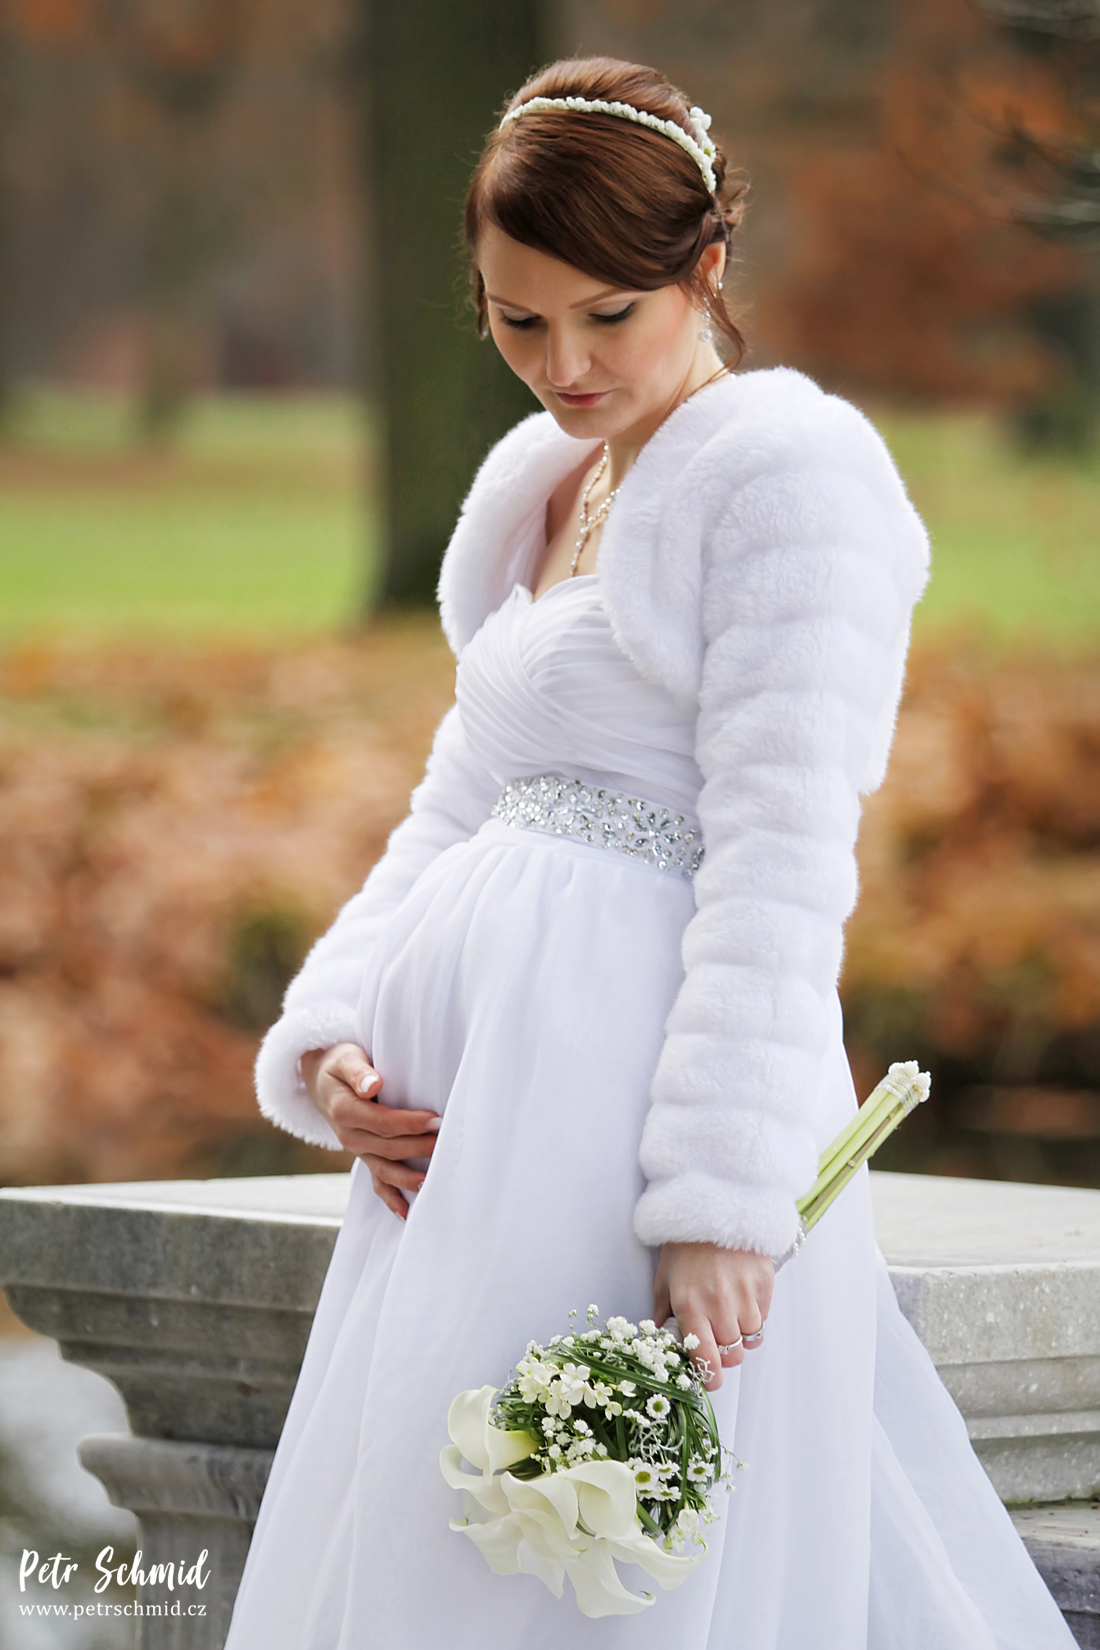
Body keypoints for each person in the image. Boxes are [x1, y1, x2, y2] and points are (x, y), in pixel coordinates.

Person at [224, 56, 1076, 1650]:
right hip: (474, 1124)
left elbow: (783, 852)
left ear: (708, 267)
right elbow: (463, 795)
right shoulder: (549, 479)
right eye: (518, 320)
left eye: (609, 315)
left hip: (636, 1112)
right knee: (442, 1515)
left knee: (598, 1560)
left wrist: (718, 1196)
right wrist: (334, 1032)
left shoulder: (787, 477)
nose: (563, 365)